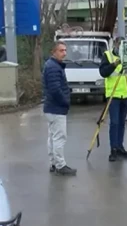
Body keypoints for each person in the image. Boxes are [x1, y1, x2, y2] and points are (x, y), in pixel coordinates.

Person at [42, 41, 77, 176]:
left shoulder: (53, 65)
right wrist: (66, 102)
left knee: (52, 137)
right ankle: (60, 165)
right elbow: (55, 89)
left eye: (65, 50)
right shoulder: (53, 67)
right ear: (54, 52)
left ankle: (53, 163)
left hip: (51, 108)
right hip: (56, 108)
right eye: (61, 50)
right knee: (59, 138)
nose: (64, 53)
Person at [99, 37, 127, 162]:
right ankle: (113, 149)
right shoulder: (107, 56)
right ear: (115, 44)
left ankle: (120, 146)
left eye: (124, 45)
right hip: (113, 95)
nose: (122, 48)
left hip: (125, 94)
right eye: (120, 45)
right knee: (114, 122)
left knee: (121, 123)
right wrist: (115, 64)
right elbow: (103, 72)